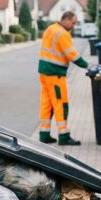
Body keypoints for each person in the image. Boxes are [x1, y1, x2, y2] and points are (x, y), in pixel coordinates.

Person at [38, 11, 90, 145]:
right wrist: (87, 66)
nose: (73, 26)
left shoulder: (50, 29)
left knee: (47, 104)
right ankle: (64, 136)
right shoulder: (62, 34)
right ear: (66, 20)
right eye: (73, 23)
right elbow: (71, 54)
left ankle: (44, 135)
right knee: (61, 103)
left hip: (44, 73)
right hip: (55, 74)